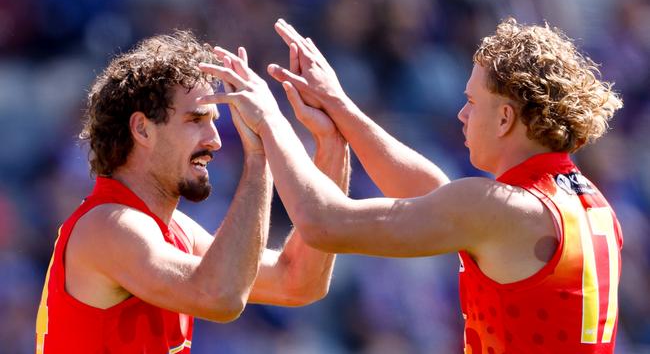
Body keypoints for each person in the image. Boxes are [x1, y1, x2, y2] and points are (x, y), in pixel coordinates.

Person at [201, 18, 624, 353]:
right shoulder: (588, 202)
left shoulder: (499, 209)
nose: (461, 114)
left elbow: (324, 223)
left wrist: (270, 121)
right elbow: (433, 194)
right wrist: (339, 106)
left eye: (472, 102)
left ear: (505, 119)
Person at [35, 31, 350, 353]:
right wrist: (259, 157)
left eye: (213, 121)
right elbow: (219, 296)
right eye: (196, 119)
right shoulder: (109, 226)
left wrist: (333, 143)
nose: (215, 139)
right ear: (142, 129)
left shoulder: (173, 229)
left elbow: (298, 282)